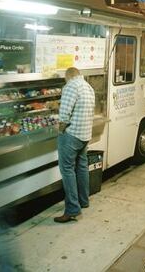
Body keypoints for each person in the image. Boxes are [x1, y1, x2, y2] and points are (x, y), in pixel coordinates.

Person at [54, 67, 95, 223]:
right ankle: (83, 201)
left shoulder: (70, 86)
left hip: (72, 135)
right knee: (82, 167)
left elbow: (64, 115)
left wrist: (60, 130)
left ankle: (72, 210)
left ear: (68, 76)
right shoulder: (88, 86)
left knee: (67, 170)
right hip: (84, 134)